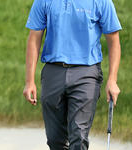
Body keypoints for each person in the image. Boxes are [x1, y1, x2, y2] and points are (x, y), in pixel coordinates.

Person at [23, 0, 122, 149]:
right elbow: (34, 39)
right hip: (53, 72)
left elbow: (114, 42)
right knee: (55, 139)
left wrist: (112, 80)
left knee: (79, 136)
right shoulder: (43, 1)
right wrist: (29, 81)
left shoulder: (101, 2)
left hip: (87, 73)